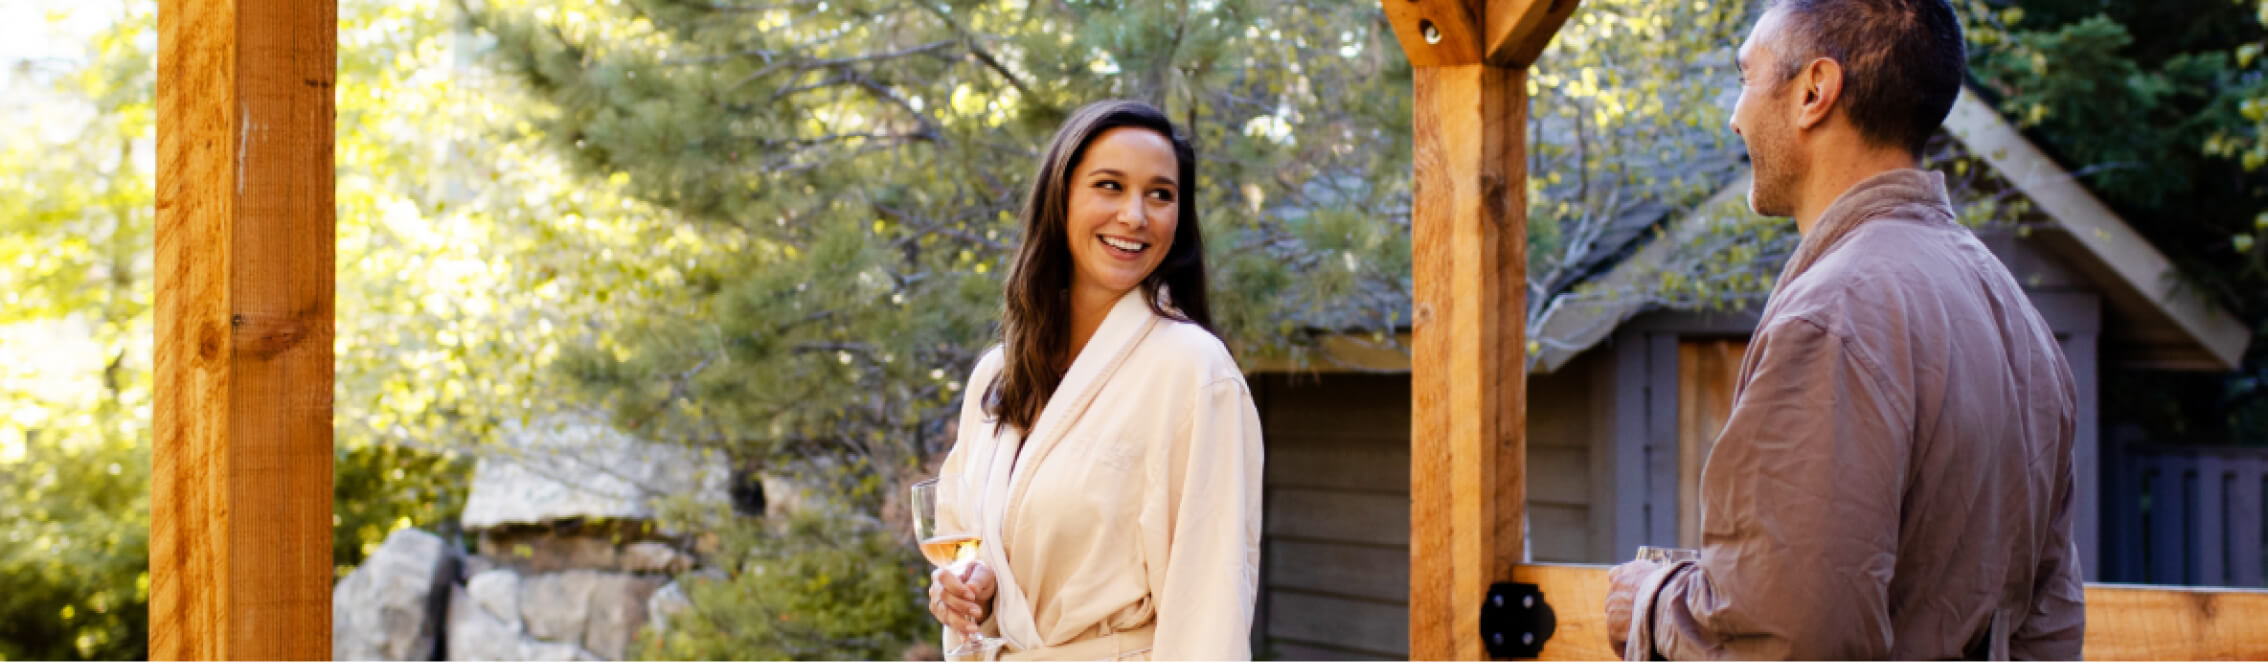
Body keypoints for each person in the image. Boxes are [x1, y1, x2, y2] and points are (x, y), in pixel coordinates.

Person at [1601, 0, 2086, 658]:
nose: (1735, 116)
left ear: (1813, 92)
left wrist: (1652, 603)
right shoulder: (2017, 317)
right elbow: (2051, 626)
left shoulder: (1831, 317)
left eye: (1746, 78)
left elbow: (1785, 637)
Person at [923, 100, 1264, 661]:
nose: (1135, 215)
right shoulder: (998, 375)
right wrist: (975, 590)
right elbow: (970, 541)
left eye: (1161, 194)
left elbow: (1210, 607)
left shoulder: (1194, 372)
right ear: (1060, 199)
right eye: (1110, 186)